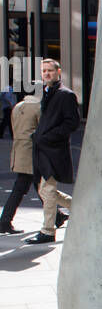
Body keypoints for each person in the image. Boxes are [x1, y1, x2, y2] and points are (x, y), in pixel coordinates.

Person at [25, 59, 79, 245]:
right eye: (44, 71)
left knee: (47, 190)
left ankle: (47, 231)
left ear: (58, 72)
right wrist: (37, 135)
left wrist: (48, 137)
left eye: (50, 70)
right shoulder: (46, 92)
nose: (47, 73)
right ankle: (80, 208)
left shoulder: (66, 95)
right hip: (42, 149)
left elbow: (72, 123)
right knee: (44, 190)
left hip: (54, 150)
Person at [0, 91, 44, 234]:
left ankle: (57, 215)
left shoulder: (17, 107)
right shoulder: (38, 107)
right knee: (29, 186)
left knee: (37, 185)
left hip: (18, 149)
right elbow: (42, 130)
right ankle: (4, 221)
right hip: (31, 151)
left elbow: (13, 128)